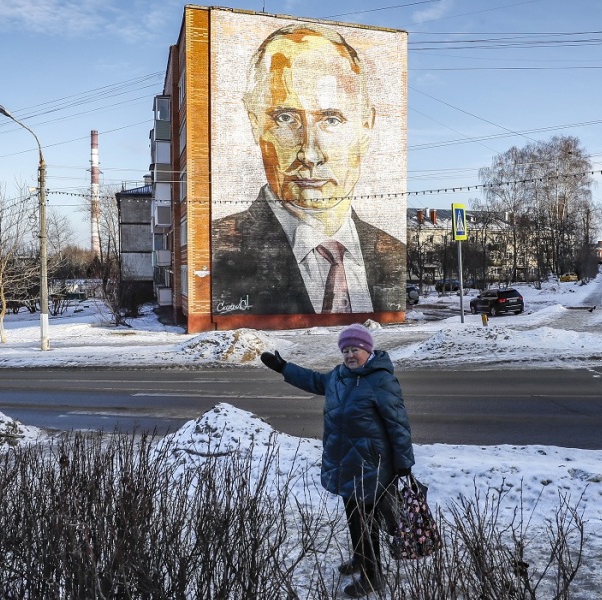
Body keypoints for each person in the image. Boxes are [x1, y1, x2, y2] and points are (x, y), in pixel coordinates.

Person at [212, 23, 406, 316]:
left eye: (331, 119)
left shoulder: (393, 253)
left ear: (366, 127)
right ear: (255, 123)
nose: (310, 154)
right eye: (286, 118)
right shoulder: (218, 251)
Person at [260, 324, 414, 597]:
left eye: (355, 350)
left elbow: (398, 424)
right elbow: (314, 381)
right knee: (354, 517)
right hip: (344, 461)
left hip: (370, 465)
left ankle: (372, 575)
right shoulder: (339, 376)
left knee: (367, 521)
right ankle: (360, 558)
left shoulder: (381, 380)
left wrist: (404, 463)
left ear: (367, 350)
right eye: (346, 350)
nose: (350, 355)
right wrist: (284, 367)